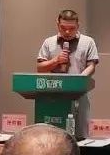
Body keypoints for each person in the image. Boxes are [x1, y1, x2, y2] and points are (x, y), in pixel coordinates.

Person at [36, 9, 99, 138]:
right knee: (53, 136)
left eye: (72, 28)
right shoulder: (49, 42)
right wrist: (56, 60)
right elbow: (40, 67)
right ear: (57, 24)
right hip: (54, 94)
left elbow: (91, 66)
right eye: (63, 28)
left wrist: (77, 82)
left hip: (79, 95)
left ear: (78, 26)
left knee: (80, 135)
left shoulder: (88, 42)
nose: (67, 32)